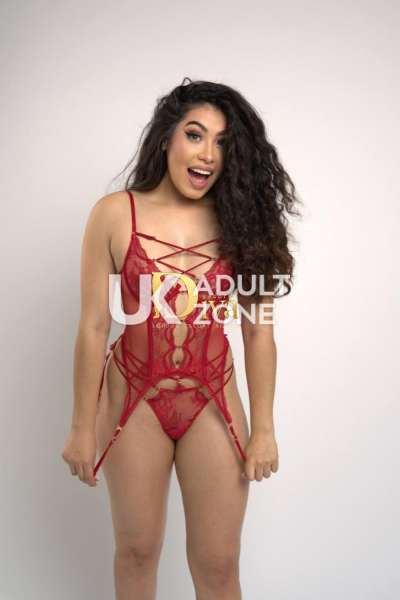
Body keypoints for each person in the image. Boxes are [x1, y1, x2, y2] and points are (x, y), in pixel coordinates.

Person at [61, 77, 302, 600]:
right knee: (136, 552)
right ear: (167, 137)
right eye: (195, 135)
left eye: (222, 142)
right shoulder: (114, 214)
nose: (207, 154)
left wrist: (265, 429)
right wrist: (80, 426)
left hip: (214, 399)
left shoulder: (244, 222)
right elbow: (94, 326)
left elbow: (258, 331)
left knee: (218, 566)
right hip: (133, 399)